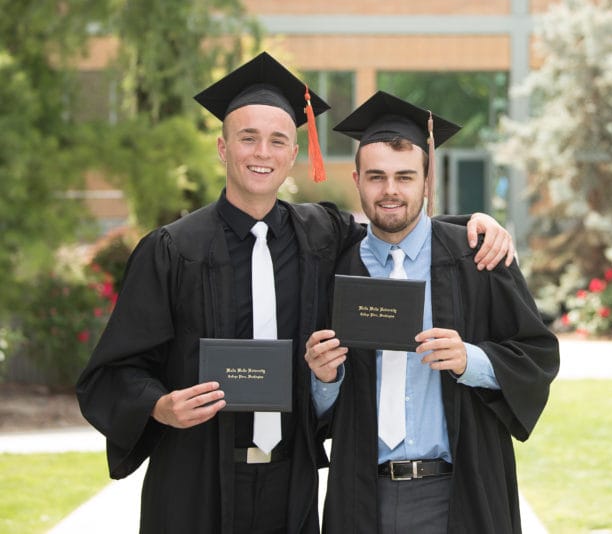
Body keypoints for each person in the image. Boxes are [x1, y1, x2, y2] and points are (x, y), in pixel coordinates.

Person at [76, 54, 515, 534]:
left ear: (292, 155)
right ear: (224, 149)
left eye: (277, 140)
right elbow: (113, 371)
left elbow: (395, 225)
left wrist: (474, 225)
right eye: (248, 138)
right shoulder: (172, 250)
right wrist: (160, 406)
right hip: (195, 476)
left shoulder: (319, 234)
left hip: (292, 480)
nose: (262, 152)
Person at [305, 91, 561, 534]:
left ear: (427, 178)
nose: (390, 191)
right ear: (357, 179)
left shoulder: (477, 258)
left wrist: (471, 360)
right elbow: (317, 407)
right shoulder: (335, 269)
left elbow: (538, 358)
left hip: (458, 492)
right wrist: (323, 380)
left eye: (405, 177)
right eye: (376, 177)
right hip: (362, 495)